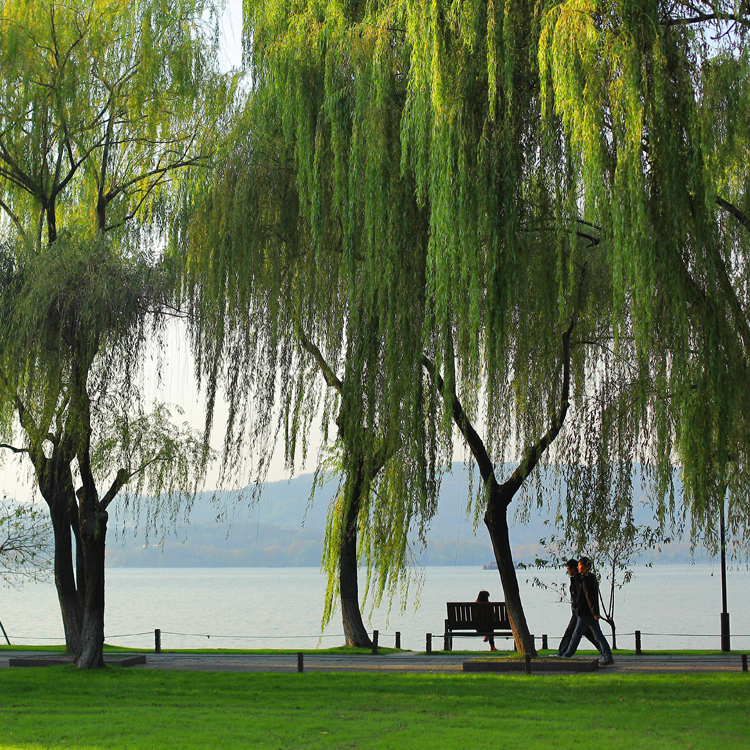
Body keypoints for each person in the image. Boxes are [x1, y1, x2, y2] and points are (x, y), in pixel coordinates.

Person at [562, 556, 614, 665]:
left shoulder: (586, 580)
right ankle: (608, 656)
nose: (578, 568)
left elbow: (589, 597)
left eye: (580, 566)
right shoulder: (588, 578)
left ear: (585, 567)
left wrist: (594, 612)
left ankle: (567, 655)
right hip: (589, 613)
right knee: (597, 635)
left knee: (576, 634)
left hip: (586, 613)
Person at [555, 558, 600, 656]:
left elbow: (585, 596)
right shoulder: (578, 579)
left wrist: (590, 611)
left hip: (581, 611)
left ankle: (565, 653)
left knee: (576, 633)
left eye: (568, 569)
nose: (568, 571)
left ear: (574, 568)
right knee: (589, 634)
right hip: (580, 611)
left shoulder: (581, 579)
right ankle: (605, 652)